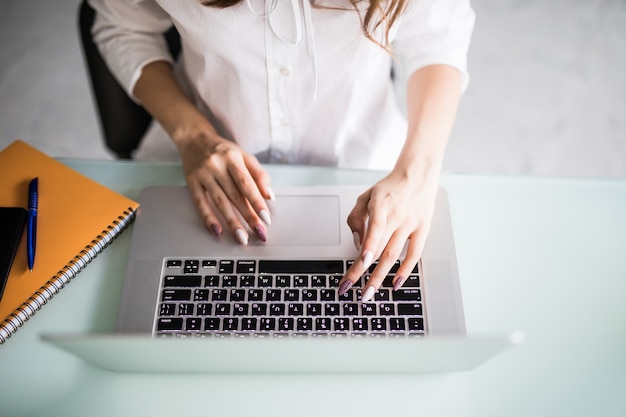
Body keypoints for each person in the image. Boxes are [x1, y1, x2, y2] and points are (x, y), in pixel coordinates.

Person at [89, 0, 475, 301]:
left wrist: (417, 173)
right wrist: (193, 136)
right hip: (195, 161)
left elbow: (439, 41)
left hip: (373, 169)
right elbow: (122, 26)